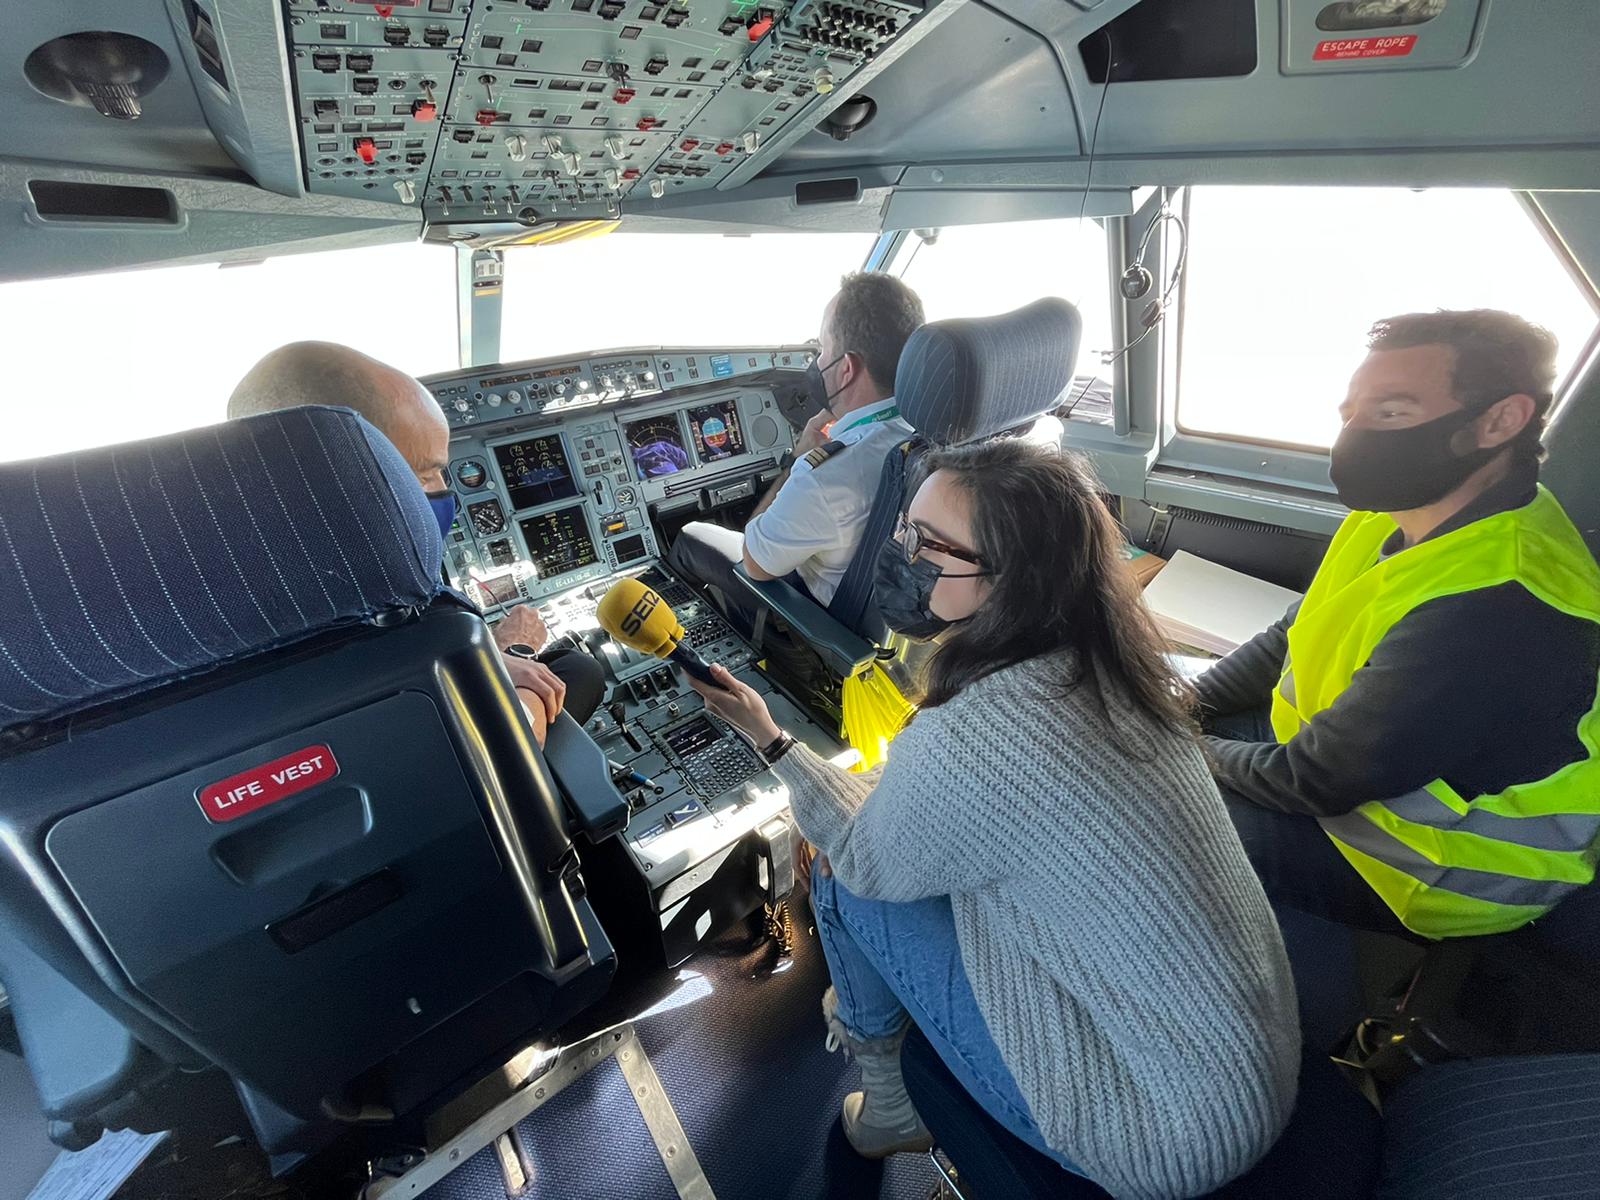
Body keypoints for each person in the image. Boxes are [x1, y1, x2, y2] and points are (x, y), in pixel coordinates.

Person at [689, 440, 1300, 1199]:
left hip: (1158, 1139)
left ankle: (891, 1107)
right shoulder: (1117, 665)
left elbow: (867, 854)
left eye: (928, 545)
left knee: (845, 885)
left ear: (1010, 579)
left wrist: (772, 739)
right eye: (903, 529)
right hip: (1255, 1075)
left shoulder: (983, 732)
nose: (900, 554)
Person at [1198, 310, 1600, 941]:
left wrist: (1176, 745)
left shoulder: (1498, 606)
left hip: (1432, 864)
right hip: (1352, 771)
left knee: (1140, 806)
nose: (1356, 436)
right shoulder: (1406, 510)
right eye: (1351, 412)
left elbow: (1315, 779)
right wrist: (1186, 700)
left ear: (1500, 420)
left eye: (1391, 413)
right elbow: (1300, 628)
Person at [227, 341, 605, 746]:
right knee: (581, 670)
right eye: (425, 476)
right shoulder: (383, 615)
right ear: (338, 480)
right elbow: (507, 744)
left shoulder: (255, 586)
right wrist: (512, 650)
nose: (446, 497)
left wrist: (484, 656)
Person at [667, 273, 924, 627]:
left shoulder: (825, 476)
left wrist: (795, 461)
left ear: (846, 368)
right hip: (889, 608)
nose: (817, 363)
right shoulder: (928, 433)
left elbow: (754, 562)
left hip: (825, 622)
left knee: (690, 537)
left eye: (822, 349)